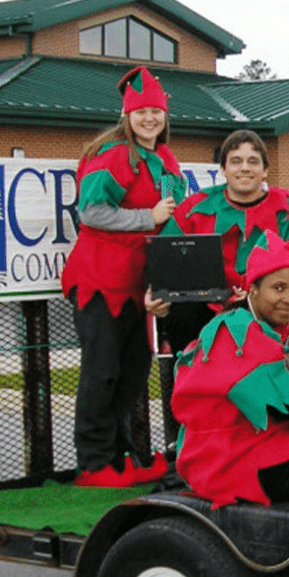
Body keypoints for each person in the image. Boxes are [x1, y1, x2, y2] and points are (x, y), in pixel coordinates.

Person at [170, 232, 289, 508]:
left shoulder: (261, 330)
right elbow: (283, 405)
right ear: (253, 289)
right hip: (227, 462)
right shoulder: (237, 331)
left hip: (248, 445)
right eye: (279, 288)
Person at [61, 66, 187, 488]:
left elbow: (175, 218)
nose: (150, 118)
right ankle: (95, 462)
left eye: (156, 111)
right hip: (101, 280)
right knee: (103, 372)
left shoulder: (165, 158)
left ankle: (120, 457)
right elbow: (91, 212)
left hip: (139, 285)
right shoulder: (114, 154)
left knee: (133, 372)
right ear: (127, 115)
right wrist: (145, 217)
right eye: (141, 111)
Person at [148, 128, 289, 356]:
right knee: (181, 312)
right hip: (203, 307)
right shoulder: (196, 207)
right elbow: (163, 257)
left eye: (253, 161)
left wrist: (257, 294)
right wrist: (156, 294)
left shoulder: (286, 209)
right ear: (223, 169)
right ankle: (191, 380)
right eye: (236, 161)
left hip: (263, 305)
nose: (245, 168)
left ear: (265, 170)